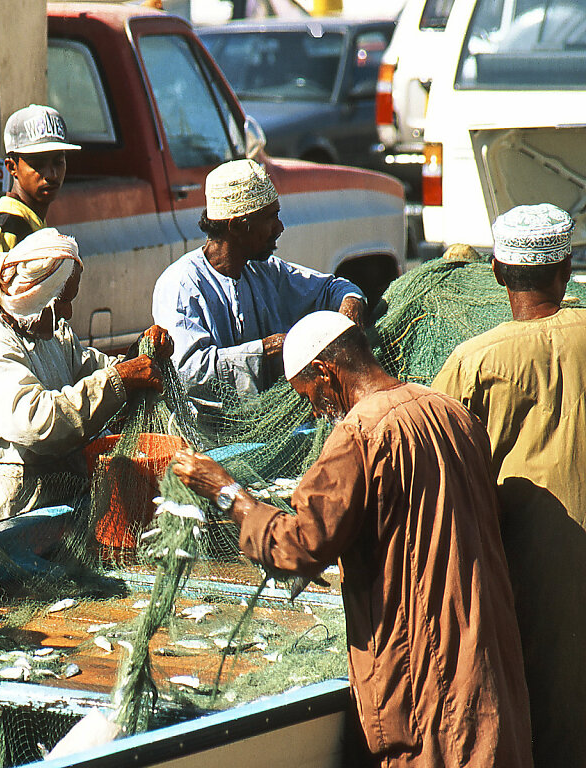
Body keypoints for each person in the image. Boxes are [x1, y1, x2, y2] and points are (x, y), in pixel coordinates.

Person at [172, 311, 532, 768]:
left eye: (310, 396)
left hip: (431, 671)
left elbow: (300, 545)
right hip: (488, 651)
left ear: (325, 372)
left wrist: (227, 493)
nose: (315, 411)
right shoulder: (450, 411)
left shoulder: (359, 434)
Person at [433, 203, 586, 767]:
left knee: (540, 718)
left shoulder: (475, 360)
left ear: (497, 271)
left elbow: (437, 472)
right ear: (566, 267)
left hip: (524, 576)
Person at [0, 228, 172, 538]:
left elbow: (94, 370)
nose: (68, 312)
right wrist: (121, 380)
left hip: (47, 515)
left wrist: (139, 354)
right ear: (35, 294)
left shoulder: (54, 335)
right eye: (62, 301)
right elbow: (35, 422)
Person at [152, 159, 365, 406]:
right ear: (237, 227)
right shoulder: (181, 285)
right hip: (206, 438)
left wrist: (352, 303)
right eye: (271, 218)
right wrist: (265, 351)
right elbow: (187, 374)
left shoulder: (267, 270)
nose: (280, 227)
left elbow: (332, 289)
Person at [0, 104, 80, 315]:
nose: (52, 174)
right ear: (12, 167)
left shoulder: (31, 218)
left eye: (58, 162)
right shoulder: (7, 224)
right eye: (38, 164)